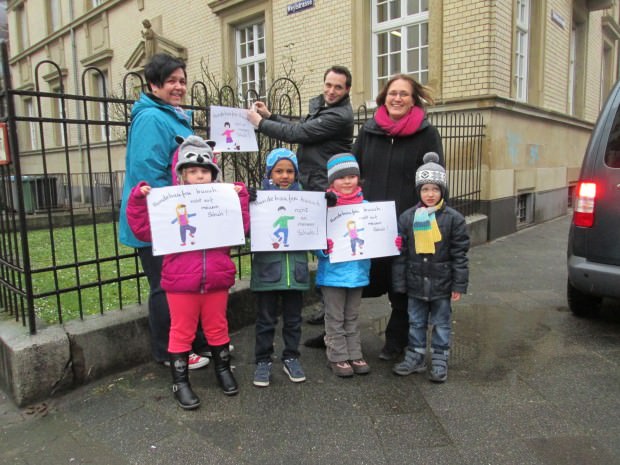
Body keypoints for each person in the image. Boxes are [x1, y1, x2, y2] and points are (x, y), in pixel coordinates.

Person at [125, 135, 250, 409]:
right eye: (192, 171)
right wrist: (137, 201)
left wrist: (239, 198)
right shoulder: (167, 202)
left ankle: (222, 369)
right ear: (181, 175)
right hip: (181, 282)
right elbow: (142, 230)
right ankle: (180, 382)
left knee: (218, 327)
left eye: (204, 171)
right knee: (181, 330)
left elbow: (241, 227)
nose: (199, 176)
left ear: (212, 174)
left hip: (216, 278)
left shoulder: (221, 200)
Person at [118, 53, 210, 370]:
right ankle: (169, 352)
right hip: (160, 221)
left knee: (186, 283)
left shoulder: (171, 115)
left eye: (182, 81)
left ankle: (193, 342)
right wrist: (175, 209)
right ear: (154, 84)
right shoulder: (151, 118)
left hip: (178, 218)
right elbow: (149, 173)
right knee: (165, 287)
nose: (179, 86)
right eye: (171, 81)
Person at [247, 65, 355, 329]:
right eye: (328, 85)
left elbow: (299, 134)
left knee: (327, 250)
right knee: (320, 247)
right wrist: (271, 115)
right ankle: (327, 307)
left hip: (323, 189)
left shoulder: (339, 116)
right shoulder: (326, 109)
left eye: (337, 87)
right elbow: (304, 127)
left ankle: (332, 310)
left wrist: (261, 124)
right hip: (315, 185)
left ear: (347, 90)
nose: (331, 91)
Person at [352, 74, 445, 361]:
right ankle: (339, 333)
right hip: (370, 222)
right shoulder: (369, 131)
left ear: (413, 99)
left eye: (404, 94)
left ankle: (396, 340)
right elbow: (352, 172)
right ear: (384, 97)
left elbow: (435, 182)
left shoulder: (427, 134)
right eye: (393, 93)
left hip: (408, 224)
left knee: (401, 285)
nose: (397, 98)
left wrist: (430, 220)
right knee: (352, 280)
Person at [391, 152, 469, 383]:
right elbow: (401, 255)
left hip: (442, 282)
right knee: (415, 322)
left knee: (442, 323)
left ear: (442, 191)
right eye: (425, 189)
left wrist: (459, 284)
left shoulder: (454, 219)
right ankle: (415, 355)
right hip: (415, 281)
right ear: (419, 191)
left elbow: (460, 254)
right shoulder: (407, 218)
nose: (430, 194)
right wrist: (400, 284)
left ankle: (439, 358)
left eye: (435, 189)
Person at [249, 148, 310, 387]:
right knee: (265, 321)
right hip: (268, 272)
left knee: (294, 320)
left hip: (296, 272)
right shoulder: (260, 199)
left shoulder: (306, 200)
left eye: (290, 171)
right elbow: (246, 231)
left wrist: (327, 203)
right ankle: (263, 360)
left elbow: (315, 229)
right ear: (269, 173)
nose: (284, 176)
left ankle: (291, 357)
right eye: (279, 171)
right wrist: (247, 203)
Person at [315, 153, 371, 377]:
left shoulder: (366, 206)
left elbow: (376, 234)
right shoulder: (324, 206)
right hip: (332, 273)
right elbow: (313, 238)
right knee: (335, 317)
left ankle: (355, 353)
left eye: (352, 176)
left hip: (357, 272)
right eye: (341, 177)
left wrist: (389, 241)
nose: (347, 181)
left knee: (352, 316)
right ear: (331, 181)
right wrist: (323, 247)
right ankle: (337, 357)